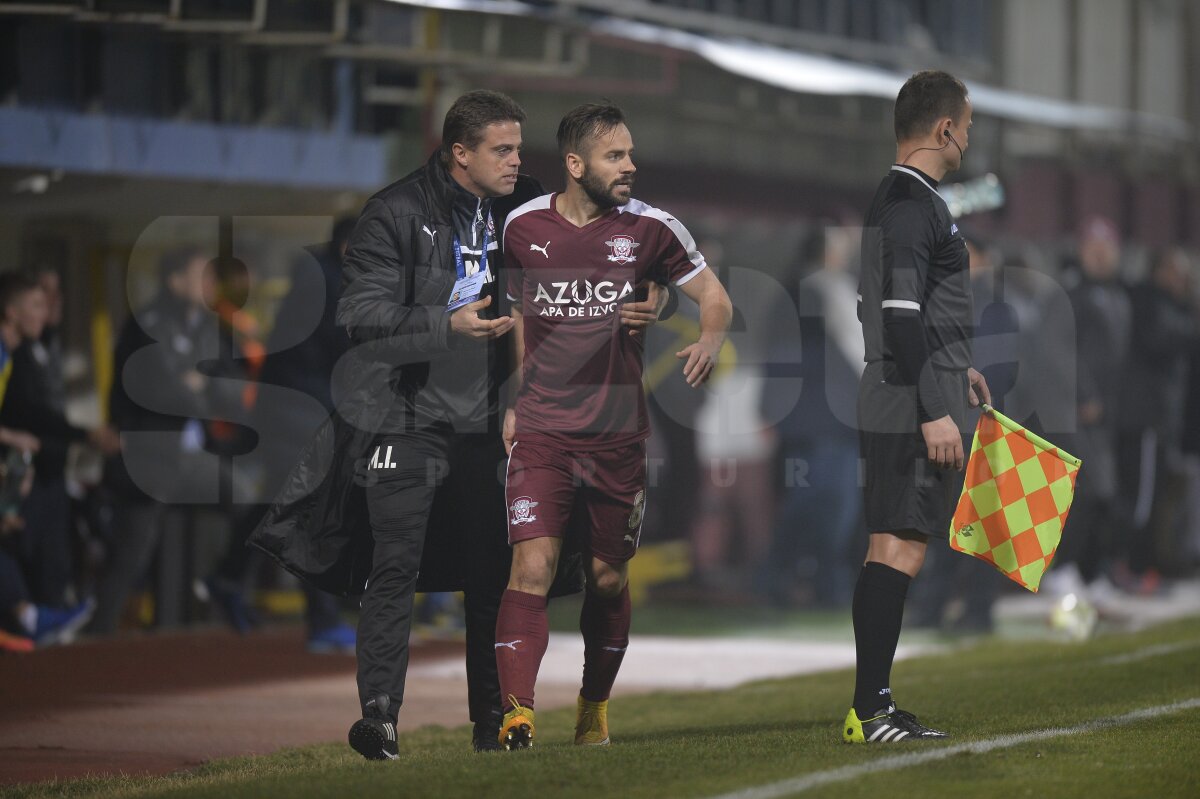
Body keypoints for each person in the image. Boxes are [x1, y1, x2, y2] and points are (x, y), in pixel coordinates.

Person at [248, 90, 668, 758]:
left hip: (493, 421)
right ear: (459, 153)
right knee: (393, 566)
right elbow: (358, 313)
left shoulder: (528, 201)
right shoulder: (394, 211)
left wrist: (658, 290)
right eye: (501, 149)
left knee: (491, 576)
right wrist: (444, 326)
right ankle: (380, 718)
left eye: (518, 147)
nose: (515, 161)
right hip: (403, 416)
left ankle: (491, 725)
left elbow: (629, 241)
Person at [494, 102, 733, 750]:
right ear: (575, 164)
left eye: (629, 154)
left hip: (617, 438)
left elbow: (714, 295)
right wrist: (516, 398)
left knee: (606, 578)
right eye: (614, 156)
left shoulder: (653, 229)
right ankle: (516, 713)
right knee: (532, 566)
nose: (630, 166)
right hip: (542, 430)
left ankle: (592, 706)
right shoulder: (521, 227)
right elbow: (520, 317)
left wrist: (708, 338)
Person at [847, 70, 990, 743]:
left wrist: (960, 370)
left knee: (890, 549)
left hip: (907, 390)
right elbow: (899, 314)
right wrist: (935, 405)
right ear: (945, 129)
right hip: (909, 403)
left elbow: (910, 312)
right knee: (899, 552)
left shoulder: (900, 198)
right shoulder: (913, 205)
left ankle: (870, 706)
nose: (967, 136)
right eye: (966, 124)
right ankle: (871, 710)